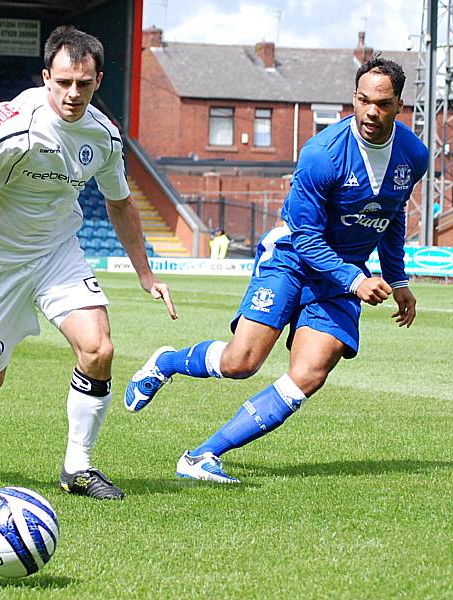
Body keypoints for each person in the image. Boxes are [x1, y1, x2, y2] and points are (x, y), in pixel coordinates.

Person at [124, 56, 428, 483]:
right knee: (241, 362)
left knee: (308, 375)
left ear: (399, 105)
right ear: (353, 99)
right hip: (292, 260)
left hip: (342, 278)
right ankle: (166, 363)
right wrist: (357, 280)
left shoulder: (413, 155)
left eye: (382, 103)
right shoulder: (321, 154)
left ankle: (201, 456)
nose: (371, 112)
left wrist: (398, 279)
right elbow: (305, 239)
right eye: (363, 100)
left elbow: (391, 216)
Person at [0, 25, 177, 500]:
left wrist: (145, 272)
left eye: (83, 84)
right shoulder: (13, 123)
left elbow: (120, 202)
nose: (73, 93)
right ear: (46, 77)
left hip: (57, 255)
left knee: (99, 349)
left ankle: (78, 468)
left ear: (98, 81)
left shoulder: (105, 137)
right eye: (64, 82)